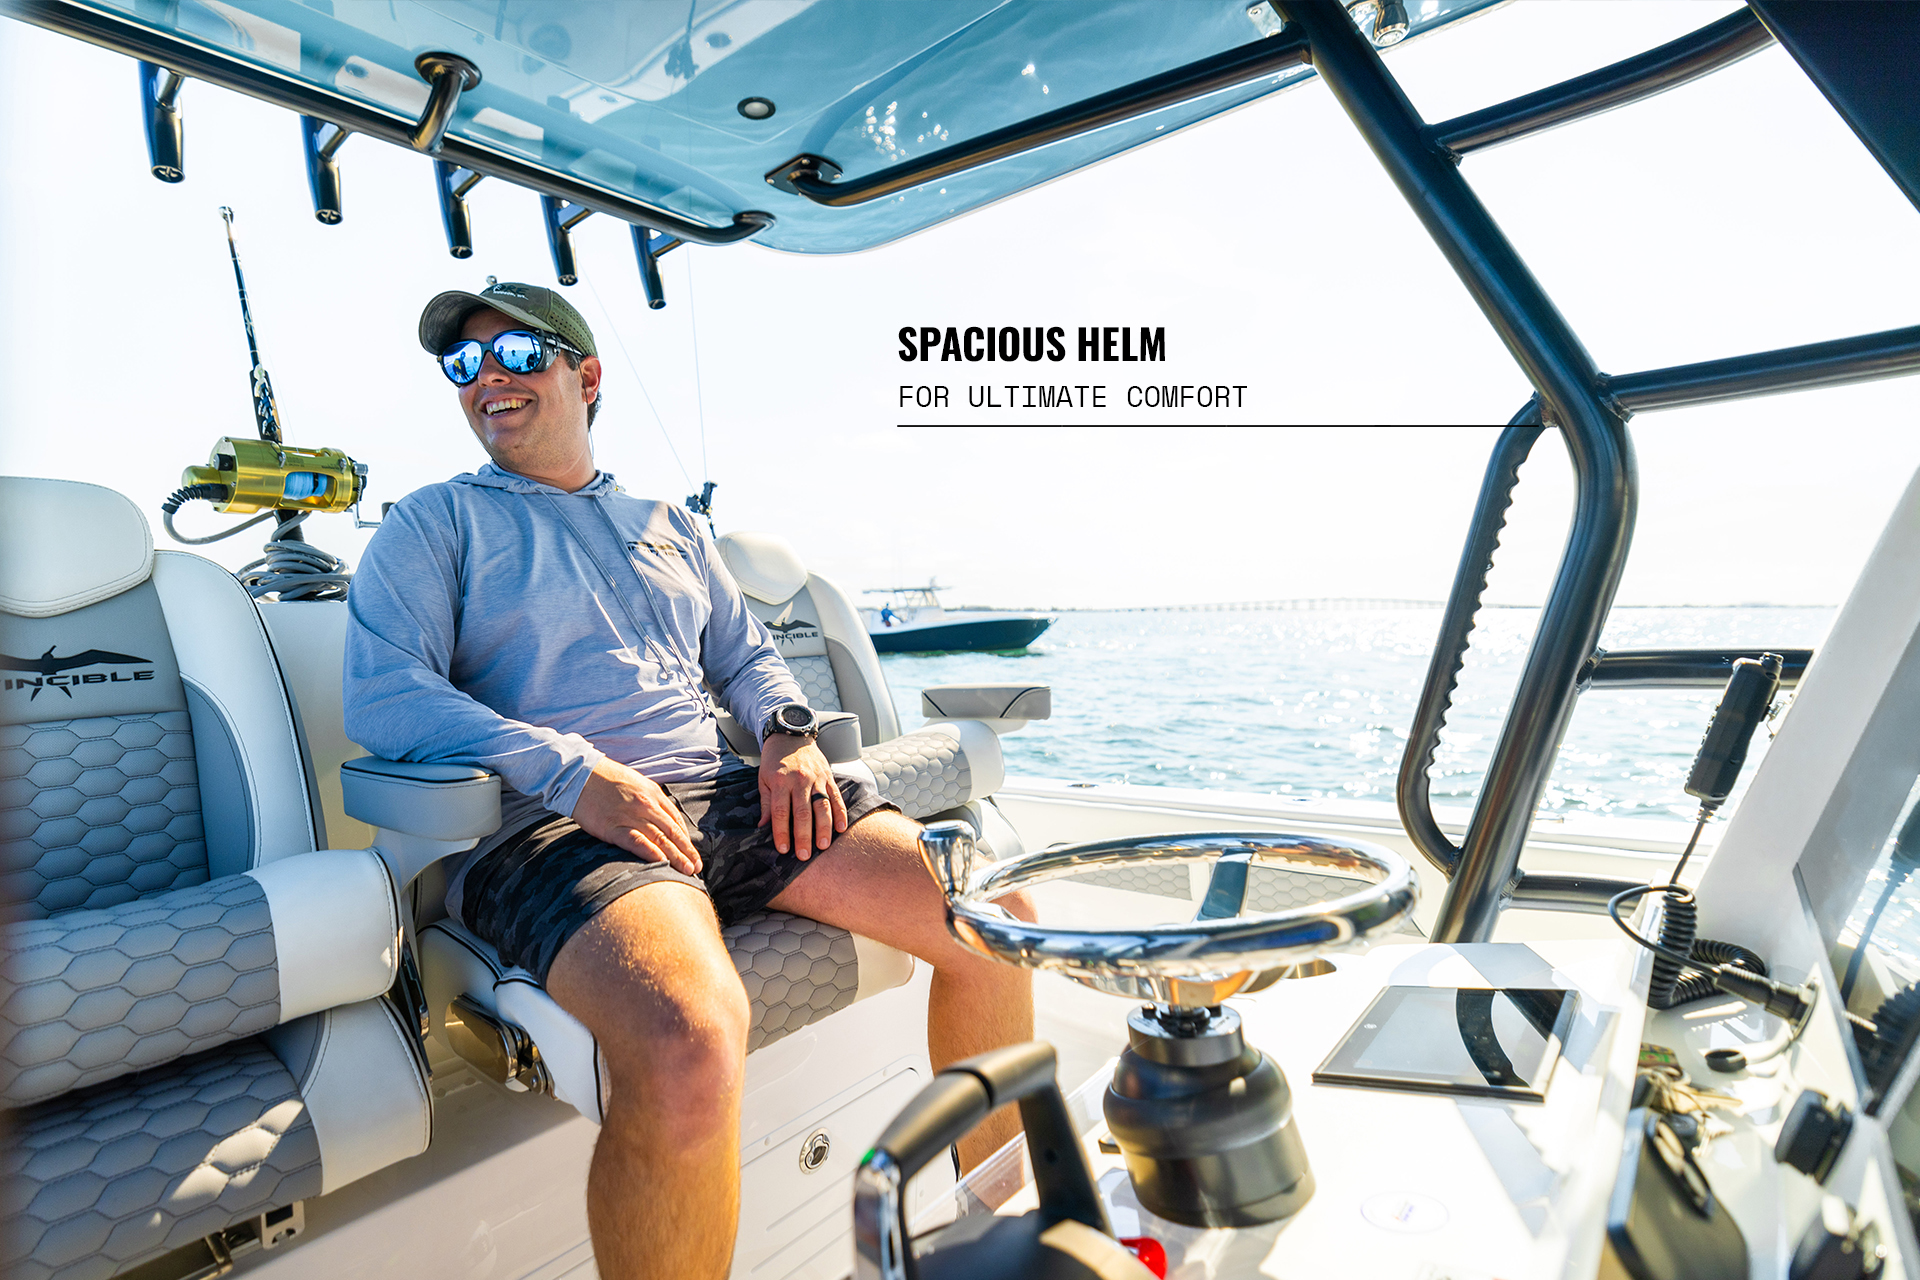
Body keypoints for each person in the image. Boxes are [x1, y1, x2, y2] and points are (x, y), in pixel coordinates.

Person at [343, 282, 1033, 1280]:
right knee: (689, 1042)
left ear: (586, 375)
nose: (487, 376)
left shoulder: (670, 520)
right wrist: (573, 770)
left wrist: (789, 733)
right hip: (550, 823)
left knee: (998, 921)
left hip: (719, 792)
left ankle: (996, 1236)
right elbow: (384, 695)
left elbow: (747, 659)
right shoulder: (434, 521)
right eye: (464, 364)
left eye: (517, 354)